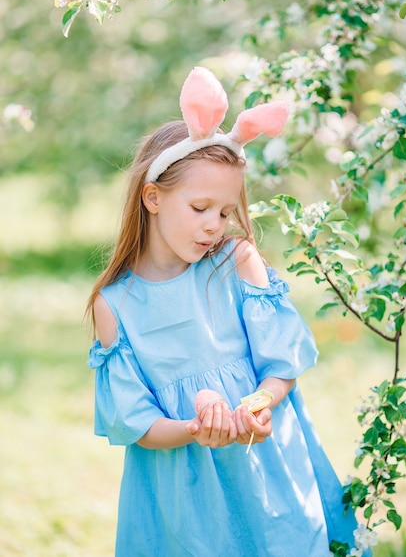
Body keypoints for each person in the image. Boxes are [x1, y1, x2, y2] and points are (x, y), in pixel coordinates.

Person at [86, 66, 362, 556]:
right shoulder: (116, 305)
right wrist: (197, 429)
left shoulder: (236, 263)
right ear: (153, 196)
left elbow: (281, 366)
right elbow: (139, 423)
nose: (214, 225)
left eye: (225, 211)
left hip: (265, 466)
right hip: (183, 496)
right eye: (199, 208)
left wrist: (257, 405)